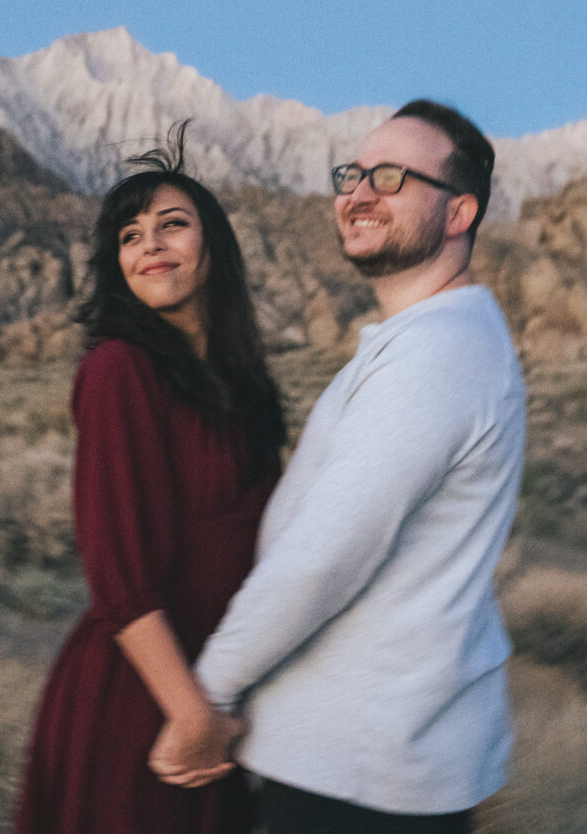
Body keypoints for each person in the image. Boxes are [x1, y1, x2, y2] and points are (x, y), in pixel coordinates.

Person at [152, 100, 526, 834]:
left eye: (391, 177)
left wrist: (208, 696)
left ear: (459, 214)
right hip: (357, 756)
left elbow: (327, 554)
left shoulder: (437, 355)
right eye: (352, 174)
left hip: (365, 776)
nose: (358, 192)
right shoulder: (419, 340)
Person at [12, 124, 284, 834]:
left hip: (218, 685)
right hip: (143, 701)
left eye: (172, 225)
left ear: (212, 246)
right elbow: (119, 576)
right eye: (129, 236)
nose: (151, 244)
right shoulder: (119, 371)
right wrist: (191, 714)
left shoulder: (243, 387)